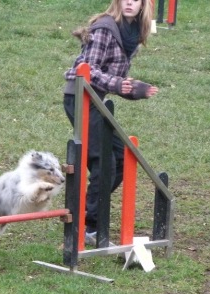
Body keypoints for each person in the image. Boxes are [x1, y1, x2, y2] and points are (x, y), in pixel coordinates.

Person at [63, 0, 159, 246]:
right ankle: (91, 227)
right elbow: (85, 69)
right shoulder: (106, 27)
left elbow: (116, 78)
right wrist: (117, 84)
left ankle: (86, 215)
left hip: (97, 98)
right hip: (80, 97)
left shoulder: (133, 33)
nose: (129, 2)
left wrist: (134, 89)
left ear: (143, 5)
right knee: (104, 162)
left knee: (121, 160)